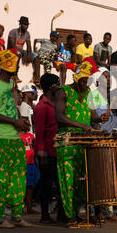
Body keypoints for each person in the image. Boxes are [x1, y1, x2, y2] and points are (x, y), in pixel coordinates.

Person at [0, 49, 32, 228]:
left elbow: (13, 105)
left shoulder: (12, 83)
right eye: (16, 65)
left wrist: (21, 121)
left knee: (18, 177)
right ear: (8, 66)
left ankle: (17, 217)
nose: (18, 67)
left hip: (14, 136)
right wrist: (14, 121)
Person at [54, 59, 96, 227]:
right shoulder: (62, 92)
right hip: (67, 142)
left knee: (80, 181)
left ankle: (75, 213)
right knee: (67, 180)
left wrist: (101, 118)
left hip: (83, 144)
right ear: (77, 78)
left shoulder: (88, 94)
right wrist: (81, 125)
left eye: (89, 81)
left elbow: (93, 117)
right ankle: (68, 215)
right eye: (85, 81)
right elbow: (59, 117)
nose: (87, 84)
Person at [34, 73, 67, 224]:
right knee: (46, 183)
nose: (60, 86)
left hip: (58, 149)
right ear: (52, 86)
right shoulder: (42, 107)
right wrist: (42, 154)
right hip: (47, 152)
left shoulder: (56, 104)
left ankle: (61, 213)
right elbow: (39, 132)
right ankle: (45, 215)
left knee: (61, 183)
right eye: (58, 84)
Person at [8, 16, 32, 83]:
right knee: (18, 54)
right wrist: (23, 53)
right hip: (11, 50)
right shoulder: (13, 32)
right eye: (24, 24)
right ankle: (15, 74)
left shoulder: (27, 34)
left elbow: (29, 46)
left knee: (35, 56)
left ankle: (36, 77)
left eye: (27, 25)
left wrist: (29, 54)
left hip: (21, 50)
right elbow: (12, 46)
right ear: (20, 24)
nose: (26, 26)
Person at [20, 124, 37, 214]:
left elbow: (34, 144)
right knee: (21, 186)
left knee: (30, 187)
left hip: (31, 163)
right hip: (21, 164)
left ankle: (29, 208)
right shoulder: (17, 137)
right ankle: (20, 208)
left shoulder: (30, 136)